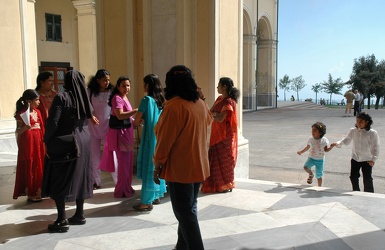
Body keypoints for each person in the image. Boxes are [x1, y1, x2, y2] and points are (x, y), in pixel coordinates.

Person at [153, 65, 211, 250]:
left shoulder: (174, 107)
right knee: (188, 211)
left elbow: (164, 140)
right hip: (198, 167)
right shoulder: (200, 104)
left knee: (185, 214)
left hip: (181, 169)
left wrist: (158, 164)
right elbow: (209, 121)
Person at [42, 70, 93, 232]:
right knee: (81, 177)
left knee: (60, 179)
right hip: (84, 142)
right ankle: (79, 214)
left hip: (67, 144)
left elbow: (53, 122)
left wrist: (47, 141)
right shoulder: (84, 99)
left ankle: (62, 219)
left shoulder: (62, 97)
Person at [99, 76, 137, 198]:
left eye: (128, 85)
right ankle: (121, 190)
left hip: (128, 132)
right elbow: (120, 116)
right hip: (121, 134)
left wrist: (135, 120)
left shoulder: (124, 97)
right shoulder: (117, 98)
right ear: (118, 87)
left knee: (128, 162)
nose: (126, 88)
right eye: (123, 85)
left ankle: (127, 186)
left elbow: (127, 116)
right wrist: (137, 110)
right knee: (124, 163)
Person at [132, 74, 167, 211]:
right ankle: (156, 195)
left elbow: (136, 120)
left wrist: (141, 120)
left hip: (149, 138)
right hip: (159, 138)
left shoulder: (146, 100)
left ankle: (146, 202)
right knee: (157, 165)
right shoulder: (161, 100)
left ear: (147, 85)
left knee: (149, 166)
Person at [201, 77, 239, 193]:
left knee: (224, 160)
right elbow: (211, 112)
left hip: (224, 136)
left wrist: (215, 114)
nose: (217, 87)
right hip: (215, 133)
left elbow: (221, 118)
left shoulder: (229, 101)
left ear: (225, 87)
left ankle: (226, 184)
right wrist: (215, 114)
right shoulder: (219, 99)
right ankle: (217, 185)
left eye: (219, 85)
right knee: (214, 159)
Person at [332, 112, 380, 192]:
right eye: (357, 121)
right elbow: (347, 140)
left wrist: (373, 159)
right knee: (353, 177)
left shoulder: (372, 133)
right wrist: (339, 143)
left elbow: (375, 146)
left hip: (367, 159)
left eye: (361, 121)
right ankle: (356, 191)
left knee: (367, 178)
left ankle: (369, 194)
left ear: (366, 122)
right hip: (355, 158)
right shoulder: (353, 131)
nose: (358, 123)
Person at [13, 89, 45, 201]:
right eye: (36, 100)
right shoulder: (21, 114)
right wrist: (25, 128)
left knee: (39, 163)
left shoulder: (38, 112)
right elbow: (18, 131)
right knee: (30, 164)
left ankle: (40, 189)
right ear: (29, 101)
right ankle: (31, 192)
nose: (39, 102)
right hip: (28, 143)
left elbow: (42, 128)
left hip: (38, 142)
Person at [87, 69, 115, 189]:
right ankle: (95, 181)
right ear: (98, 80)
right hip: (93, 125)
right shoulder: (90, 92)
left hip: (108, 126)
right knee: (94, 155)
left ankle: (118, 180)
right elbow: (86, 106)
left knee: (111, 154)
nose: (107, 82)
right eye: (104, 80)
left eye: (108, 80)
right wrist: (91, 116)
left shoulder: (112, 92)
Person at [297, 122, 335, 187]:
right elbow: (307, 147)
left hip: (320, 160)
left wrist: (331, 147)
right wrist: (301, 152)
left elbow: (326, 150)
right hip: (311, 158)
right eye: (312, 130)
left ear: (320, 133)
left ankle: (319, 187)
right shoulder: (311, 139)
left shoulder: (324, 140)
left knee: (319, 175)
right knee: (305, 167)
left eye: (315, 130)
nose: (312, 132)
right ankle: (311, 174)